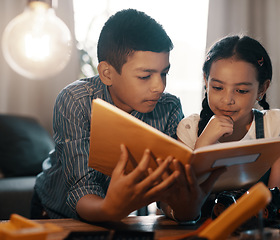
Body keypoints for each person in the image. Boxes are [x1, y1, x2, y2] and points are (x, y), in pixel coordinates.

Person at [31, 8, 194, 222]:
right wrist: (112, 210)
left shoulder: (170, 106)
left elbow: (167, 187)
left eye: (164, 73)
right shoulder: (75, 100)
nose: (159, 86)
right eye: (145, 76)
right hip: (56, 211)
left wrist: (183, 209)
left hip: (116, 214)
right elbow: (82, 188)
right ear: (107, 73)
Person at [176, 35, 280, 195]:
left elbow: (276, 203)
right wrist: (203, 144)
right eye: (218, 87)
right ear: (206, 81)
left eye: (241, 91)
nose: (227, 100)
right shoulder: (189, 129)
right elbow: (182, 202)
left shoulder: (277, 128)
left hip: (260, 220)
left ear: (262, 89)